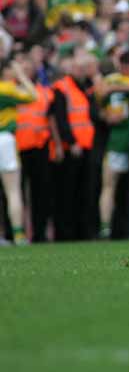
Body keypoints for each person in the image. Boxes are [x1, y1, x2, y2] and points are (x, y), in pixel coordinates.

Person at [50, 55, 96, 241]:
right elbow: (61, 119)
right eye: (78, 68)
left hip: (86, 145)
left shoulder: (84, 86)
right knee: (67, 193)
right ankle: (66, 233)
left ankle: (81, 231)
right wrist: (70, 141)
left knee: (83, 192)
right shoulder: (63, 88)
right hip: (73, 147)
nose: (82, 71)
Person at [97, 51, 129, 238]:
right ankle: (105, 228)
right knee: (108, 185)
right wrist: (106, 115)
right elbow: (100, 98)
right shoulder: (113, 80)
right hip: (117, 141)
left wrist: (117, 88)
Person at [0, 58, 38, 244]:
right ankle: (18, 234)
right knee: (13, 190)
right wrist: (22, 76)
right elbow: (33, 96)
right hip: (5, 139)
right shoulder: (7, 88)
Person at [16, 56, 54, 243]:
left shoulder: (45, 92)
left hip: (39, 146)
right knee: (16, 193)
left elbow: (51, 119)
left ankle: (40, 233)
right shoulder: (9, 91)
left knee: (41, 193)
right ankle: (15, 232)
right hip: (16, 147)